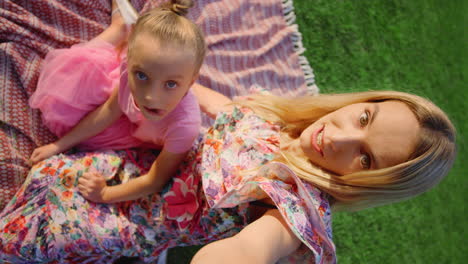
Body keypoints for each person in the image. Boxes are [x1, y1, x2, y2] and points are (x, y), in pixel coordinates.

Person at [0, 81, 456, 263]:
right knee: (53, 171)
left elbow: (248, 252)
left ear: (368, 183)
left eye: (365, 159)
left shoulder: (295, 206)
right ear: (365, 101)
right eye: (364, 119)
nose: (338, 138)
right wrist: (173, 74)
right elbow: (220, 106)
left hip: (125, 222)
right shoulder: (280, 118)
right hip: (133, 168)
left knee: (21, 238)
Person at [27, 0, 206, 203]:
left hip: (139, 136)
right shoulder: (126, 72)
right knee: (69, 83)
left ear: (191, 82)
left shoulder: (185, 126)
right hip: (130, 116)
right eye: (141, 75)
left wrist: (105, 194)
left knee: (80, 132)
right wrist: (58, 146)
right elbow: (110, 110)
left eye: (171, 84)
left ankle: (126, 31)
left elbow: (155, 180)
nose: (150, 97)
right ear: (128, 64)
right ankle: (121, 28)